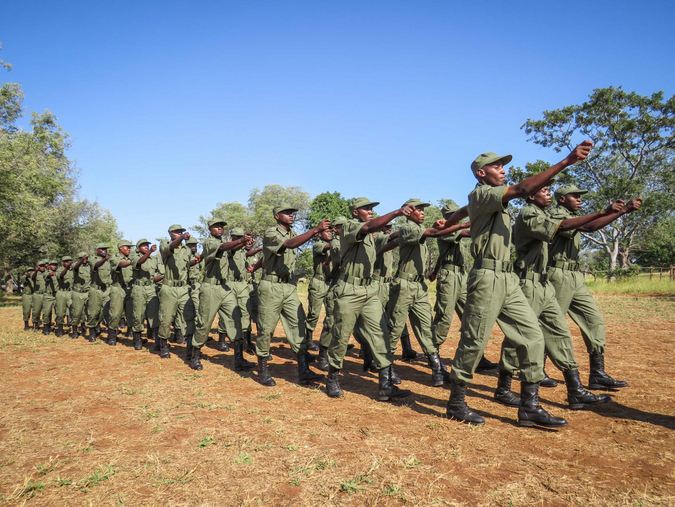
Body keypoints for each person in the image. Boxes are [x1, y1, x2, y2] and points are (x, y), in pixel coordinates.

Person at [445, 141, 593, 427]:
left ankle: (530, 406)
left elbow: (468, 209)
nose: (503, 170)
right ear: (480, 173)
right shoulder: (483, 194)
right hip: (487, 277)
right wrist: (566, 161)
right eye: (496, 166)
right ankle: (456, 401)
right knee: (474, 341)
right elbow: (523, 190)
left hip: (508, 278)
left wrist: (454, 218)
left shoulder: (489, 199)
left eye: (504, 165)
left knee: (533, 336)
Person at [497, 184, 618, 409]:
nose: (548, 194)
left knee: (560, 334)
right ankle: (503, 388)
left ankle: (576, 390)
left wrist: (616, 212)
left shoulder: (543, 213)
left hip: (544, 284)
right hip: (528, 283)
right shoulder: (528, 214)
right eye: (544, 191)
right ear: (531, 195)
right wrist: (604, 212)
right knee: (520, 337)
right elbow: (566, 226)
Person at [548, 184, 642, 389]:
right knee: (550, 323)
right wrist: (616, 211)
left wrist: (624, 210)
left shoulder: (577, 217)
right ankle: (535, 370)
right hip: (557, 274)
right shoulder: (557, 214)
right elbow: (589, 226)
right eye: (575, 196)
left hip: (574, 275)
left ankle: (597, 373)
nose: (579, 199)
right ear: (562, 199)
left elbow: (592, 224)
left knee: (594, 320)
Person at [325, 197, 414, 401]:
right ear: (356, 212)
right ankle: (332, 378)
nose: (371, 211)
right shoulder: (349, 227)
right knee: (341, 335)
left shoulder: (373, 236)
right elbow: (369, 227)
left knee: (380, 334)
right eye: (366, 208)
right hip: (348, 290)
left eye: (372, 208)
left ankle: (385, 385)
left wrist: (413, 231)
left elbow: (390, 239)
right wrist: (397, 212)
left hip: (369, 290)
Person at [380, 198, 471, 387]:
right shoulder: (407, 228)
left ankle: (437, 368)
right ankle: (386, 370)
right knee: (395, 328)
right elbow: (432, 232)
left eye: (423, 210)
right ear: (408, 212)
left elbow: (432, 232)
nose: (422, 212)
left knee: (426, 327)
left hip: (419, 286)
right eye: (418, 210)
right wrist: (461, 224)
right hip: (404, 285)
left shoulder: (418, 229)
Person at [255, 204, 329, 386]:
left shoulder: (292, 233)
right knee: (266, 328)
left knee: (299, 324)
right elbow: (289, 245)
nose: (291, 215)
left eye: (292, 213)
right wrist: (316, 230)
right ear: (276, 216)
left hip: (288, 286)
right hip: (271, 285)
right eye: (287, 213)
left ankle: (304, 370)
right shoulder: (271, 233)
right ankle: (263, 369)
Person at [429, 203, 497, 374]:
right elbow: (468, 233)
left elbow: (442, 255)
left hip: (461, 275)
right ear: (447, 217)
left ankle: (477, 357)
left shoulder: (453, 231)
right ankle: (432, 355)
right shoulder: (445, 230)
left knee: (470, 316)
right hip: (450, 277)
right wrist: (482, 223)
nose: (456, 217)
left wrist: (434, 271)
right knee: (444, 317)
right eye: (452, 215)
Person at [188, 217, 252, 370]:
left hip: (225, 288)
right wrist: (240, 240)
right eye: (216, 226)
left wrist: (243, 242)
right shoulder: (209, 242)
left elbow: (232, 249)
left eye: (222, 227)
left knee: (235, 320)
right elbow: (223, 247)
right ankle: (194, 356)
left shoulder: (226, 244)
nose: (220, 229)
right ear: (209, 229)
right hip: (210, 288)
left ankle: (239, 360)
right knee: (204, 323)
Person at [157, 225, 192, 358]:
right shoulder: (165, 244)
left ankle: (189, 347)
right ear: (170, 234)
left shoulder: (187, 250)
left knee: (187, 318)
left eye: (181, 232)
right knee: (166, 318)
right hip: (169, 288)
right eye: (177, 232)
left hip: (183, 288)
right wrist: (182, 238)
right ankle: (164, 345)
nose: (180, 234)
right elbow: (171, 247)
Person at [131, 239, 161, 350]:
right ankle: (137, 340)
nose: (146, 247)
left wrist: (164, 275)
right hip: (139, 288)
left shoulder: (154, 259)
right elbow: (139, 262)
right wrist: (150, 252)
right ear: (138, 248)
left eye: (147, 245)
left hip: (151, 287)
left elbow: (155, 276)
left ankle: (158, 341)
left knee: (154, 314)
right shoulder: (134, 256)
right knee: (138, 314)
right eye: (143, 246)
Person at [108, 240, 134, 346]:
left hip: (130, 288)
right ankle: (112, 336)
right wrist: (132, 261)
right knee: (115, 314)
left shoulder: (130, 258)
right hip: (118, 288)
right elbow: (122, 264)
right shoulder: (114, 258)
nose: (129, 249)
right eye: (127, 247)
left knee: (132, 313)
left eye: (130, 247)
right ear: (120, 248)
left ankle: (133, 334)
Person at [70, 252, 91, 338]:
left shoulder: (90, 266)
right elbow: (75, 267)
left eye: (86, 258)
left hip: (88, 292)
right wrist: (82, 260)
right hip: (78, 293)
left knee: (90, 312)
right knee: (77, 313)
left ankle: (90, 328)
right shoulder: (76, 265)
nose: (85, 260)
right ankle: (74, 330)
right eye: (83, 258)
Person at [54, 256, 74, 337]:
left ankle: (73, 329)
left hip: (71, 292)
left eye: (69, 261)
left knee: (73, 311)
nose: (68, 262)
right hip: (61, 292)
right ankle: (60, 328)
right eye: (66, 261)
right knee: (60, 312)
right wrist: (67, 268)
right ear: (62, 262)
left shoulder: (74, 270)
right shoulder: (59, 269)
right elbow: (61, 276)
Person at [41, 260, 58, 335]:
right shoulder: (45, 272)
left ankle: (58, 327)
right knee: (47, 312)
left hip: (57, 295)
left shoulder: (59, 272)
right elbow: (47, 275)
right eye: (52, 264)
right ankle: (46, 327)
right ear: (49, 266)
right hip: (48, 295)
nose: (54, 266)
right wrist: (50, 273)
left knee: (59, 312)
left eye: (55, 265)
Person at [31, 260, 48, 331]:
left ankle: (46, 325)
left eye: (43, 266)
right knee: (36, 311)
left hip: (46, 294)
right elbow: (32, 277)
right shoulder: (35, 273)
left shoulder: (47, 273)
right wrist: (36, 271)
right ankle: (35, 324)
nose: (42, 267)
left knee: (46, 311)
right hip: (37, 295)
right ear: (37, 267)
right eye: (40, 266)